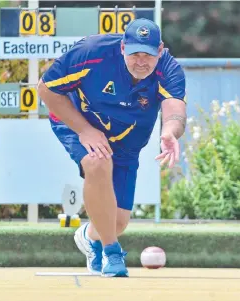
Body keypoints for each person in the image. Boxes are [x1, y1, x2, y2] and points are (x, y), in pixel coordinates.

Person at [37, 18, 187, 277]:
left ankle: (89, 237)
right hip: (77, 121)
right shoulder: (91, 53)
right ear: (122, 48)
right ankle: (111, 252)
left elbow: (175, 109)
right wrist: (85, 130)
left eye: (148, 55)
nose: (141, 61)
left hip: (127, 143)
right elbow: (46, 89)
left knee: (117, 222)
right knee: (97, 162)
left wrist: (169, 132)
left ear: (160, 50)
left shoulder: (169, 69)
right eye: (135, 54)